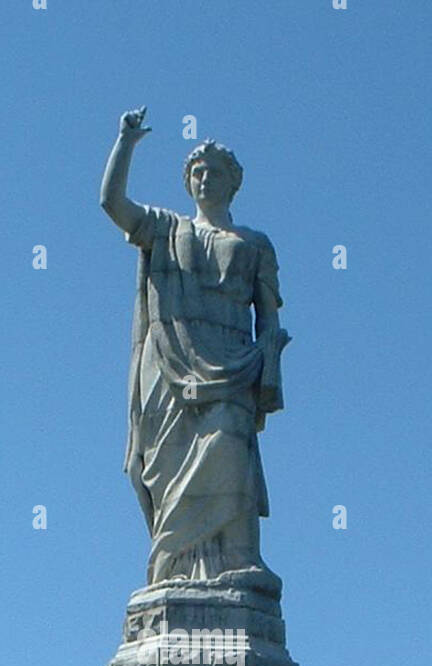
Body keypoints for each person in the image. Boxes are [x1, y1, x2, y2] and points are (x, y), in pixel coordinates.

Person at [100, 106, 290, 584]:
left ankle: (239, 560)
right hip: (168, 363)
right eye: (197, 172)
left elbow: (268, 317)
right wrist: (125, 143)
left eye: (215, 172)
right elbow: (112, 203)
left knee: (230, 449)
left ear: (233, 181)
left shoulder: (255, 243)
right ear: (188, 182)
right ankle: (174, 570)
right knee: (167, 470)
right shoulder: (166, 228)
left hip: (234, 362)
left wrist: (268, 361)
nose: (206, 179)